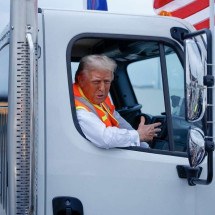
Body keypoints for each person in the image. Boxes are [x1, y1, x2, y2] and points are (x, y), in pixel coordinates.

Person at [73, 54, 161, 149]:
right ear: (81, 80)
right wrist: (138, 135)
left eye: (107, 81)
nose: (102, 88)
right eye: (96, 82)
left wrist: (146, 148)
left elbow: (121, 123)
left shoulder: (99, 99)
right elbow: (105, 138)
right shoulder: (79, 109)